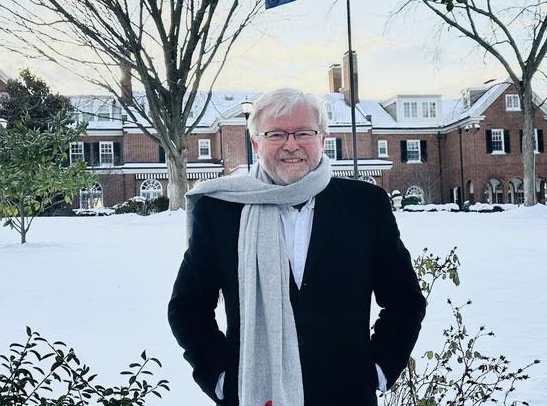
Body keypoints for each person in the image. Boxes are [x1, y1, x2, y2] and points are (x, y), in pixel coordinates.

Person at [168, 88, 426, 406]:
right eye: (276, 134)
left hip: (346, 395)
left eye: (303, 132)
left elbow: (404, 299)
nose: (291, 145)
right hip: (254, 393)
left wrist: (378, 369)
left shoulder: (365, 205)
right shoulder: (221, 210)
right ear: (255, 143)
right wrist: (220, 379)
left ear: (322, 138)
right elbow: (187, 306)